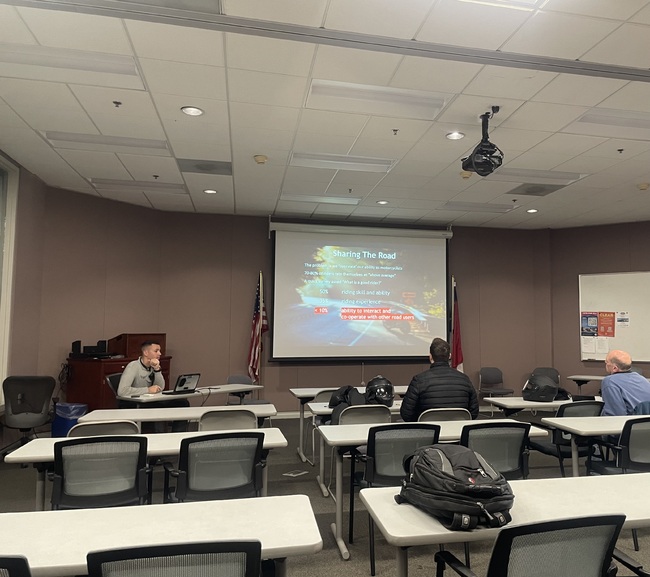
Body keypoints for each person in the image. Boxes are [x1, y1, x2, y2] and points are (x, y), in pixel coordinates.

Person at [400, 337, 479, 421]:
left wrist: (420, 420)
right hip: (459, 428)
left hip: (428, 428)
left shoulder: (418, 380)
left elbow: (406, 414)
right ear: (449, 356)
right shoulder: (465, 380)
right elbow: (474, 412)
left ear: (430, 357)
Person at [117, 340, 189, 432]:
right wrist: (148, 390)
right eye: (156, 351)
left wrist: (157, 369)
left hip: (151, 400)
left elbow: (160, 387)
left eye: (159, 351)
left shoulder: (153, 366)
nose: (160, 353)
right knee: (157, 407)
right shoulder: (133, 366)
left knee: (182, 403)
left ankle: (178, 435)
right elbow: (122, 391)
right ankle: (158, 436)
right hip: (135, 403)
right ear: (146, 353)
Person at [601, 349, 650, 416]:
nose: (606, 364)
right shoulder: (642, 379)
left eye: (606, 362)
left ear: (615, 368)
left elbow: (615, 414)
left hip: (630, 421)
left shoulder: (610, 381)